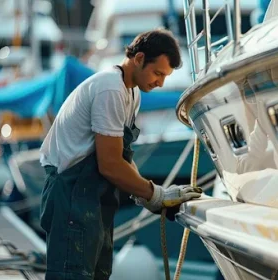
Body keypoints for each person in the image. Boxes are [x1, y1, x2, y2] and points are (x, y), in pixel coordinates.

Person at [39, 29, 202, 280]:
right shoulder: (110, 89)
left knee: (97, 273)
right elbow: (110, 165)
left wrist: (146, 196)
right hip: (70, 195)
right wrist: (155, 194)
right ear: (138, 59)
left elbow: (123, 157)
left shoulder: (132, 93)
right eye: (158, 73)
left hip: (91, 198)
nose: (160, 83)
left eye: (165, 77)